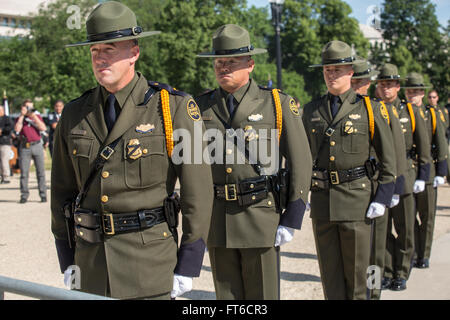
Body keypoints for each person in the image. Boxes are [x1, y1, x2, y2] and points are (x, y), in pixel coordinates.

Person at [51, 1, 214, 299]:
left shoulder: (173, 108)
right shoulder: (74, 114)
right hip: (91, 266)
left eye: (109, 50)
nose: (100, 59)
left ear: (134, 52)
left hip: (149, 266)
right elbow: (61, 193)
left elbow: (198, 192)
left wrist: (189, 262)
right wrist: (67, 258)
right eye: (94, 51)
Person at [195, 24, 312, 300]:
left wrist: (292, 217)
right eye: (219, 62)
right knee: (227, 297)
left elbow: (300, 161)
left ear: (250, 64)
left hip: (261, 216)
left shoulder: (276, 104)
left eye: (231, 61)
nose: (223, 67)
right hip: (218, 220)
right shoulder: (200, 107)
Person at [303, 41, 396, 300]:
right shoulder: (311, 110)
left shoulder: (369, 108)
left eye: (337, 69)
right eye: (327, 70)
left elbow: (389, 159)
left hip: (357, 201)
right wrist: (300, 194)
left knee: (358, 278)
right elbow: (302, 158)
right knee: (330, 278)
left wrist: (383, 196)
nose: (331, 75)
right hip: (322, 201)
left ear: (350, 72)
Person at [351, 60, 407, 299]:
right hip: (353, 189)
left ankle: (373, 290)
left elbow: (395, 152)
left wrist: (393, 188)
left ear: (368, 83)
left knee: (375, 249)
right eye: (354, 81)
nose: (357, 86)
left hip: (376, 186)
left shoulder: (381, 109)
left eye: (361, 81)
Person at [376, 65, 432, 291]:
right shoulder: (374, 109)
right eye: (382, 85)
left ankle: (402, 271)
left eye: (389, 85)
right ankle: (388, 271)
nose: (385, 89)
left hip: (406, 176)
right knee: (384, 229)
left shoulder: (410, 111)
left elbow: (423, 147)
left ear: (398, 87)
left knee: (405, 228)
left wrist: (422, 175)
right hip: (382, 178)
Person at [403, 73, 448, 269]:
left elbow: (440, 143)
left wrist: (441, 171)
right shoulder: (401, 112)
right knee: (409, 216)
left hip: (427, 171)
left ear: (423, 93)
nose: (413, 95)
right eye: (410, 91)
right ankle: (413, 253)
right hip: (407, 169)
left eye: (416, 91)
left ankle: (425, 254)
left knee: (427, 216)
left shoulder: (431, 113)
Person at [14, 99, 48, 203]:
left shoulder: (36, 117)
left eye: (31, 107)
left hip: (37, 145)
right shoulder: (20, 119)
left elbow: (43, 128)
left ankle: (43, 194)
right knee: (24, 173)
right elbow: (17, 130)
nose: (30, 109)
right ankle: (24, 195)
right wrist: (22, 115)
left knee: (41, 172)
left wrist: (33, 117)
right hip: (25, 147)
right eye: (27, 107)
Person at [0, 105, 13, 184]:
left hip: (4, 142)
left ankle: (6, 177)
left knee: (4, 160)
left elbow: (10, 127)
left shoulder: (7, 118)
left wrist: (2, 130)